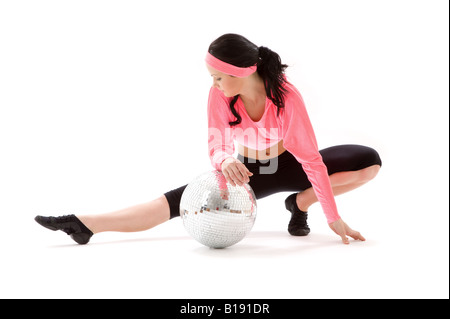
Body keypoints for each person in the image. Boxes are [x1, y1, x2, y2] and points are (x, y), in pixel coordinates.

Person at [35, 34, 382, 245]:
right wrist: (225, 161)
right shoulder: (219, 96)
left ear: (242, 72)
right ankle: (86, 225)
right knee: (172, 204)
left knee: (368, 161)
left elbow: (311, 159)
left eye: (218, 76)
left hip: (291, 165)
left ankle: (299, 204)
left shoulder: (286, 97)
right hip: (247, 171)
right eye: (212, 76)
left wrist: (332, 216)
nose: (213, 83)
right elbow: (216, 144)